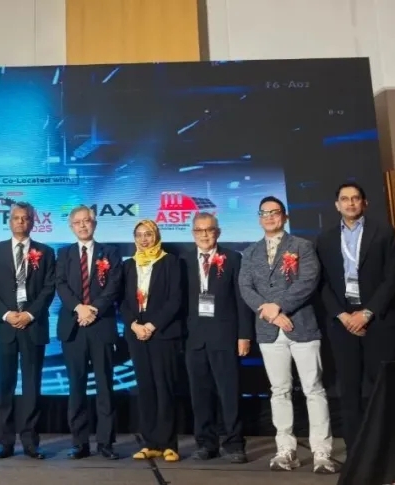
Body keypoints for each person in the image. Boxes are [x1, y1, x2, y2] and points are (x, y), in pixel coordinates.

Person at [237, 196, 335, 473]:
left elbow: (308, 281)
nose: (269, 217)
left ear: (285, 217)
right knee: (279, 391)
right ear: (259, 218)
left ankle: (322, 452)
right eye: (264, 213)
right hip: (269, 331)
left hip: (301, 326)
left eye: (275, 212)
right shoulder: (250, 252)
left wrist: (279, 306)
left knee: (313, 389)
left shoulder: (302, 246)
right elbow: (245, 288)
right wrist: (270, 313)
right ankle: (285, 451)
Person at [316, 182, 395, 448]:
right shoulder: (326, 238)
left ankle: (387, 446)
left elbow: (393, 276)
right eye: (345, 199)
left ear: (365, 203)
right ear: (337, 205)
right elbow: (322, 283)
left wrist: (366, 313)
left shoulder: (383, 232)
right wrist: (343, 316)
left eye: (355, 198)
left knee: (382, 385)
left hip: (378, 320)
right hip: (342, 324)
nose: (350, 203)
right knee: (348, 388)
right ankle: (355, 450)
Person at [0, 201, 56, 459]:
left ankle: (30, 441)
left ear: (33, 221)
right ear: (9, 221)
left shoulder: (46, 252)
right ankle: (5, 442)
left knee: (31, 386)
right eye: (16, 218)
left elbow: (49, 288)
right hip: (5, 326)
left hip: (33, 326)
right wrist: (6, 315)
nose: (20, 222)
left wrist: (29, 314)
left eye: (25, 218)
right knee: (4, 386)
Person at [182, 212, 253, 464]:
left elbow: (242, 301)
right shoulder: (183, 261)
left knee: (229, 393)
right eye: (199, 230)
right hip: (194, 339)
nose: (204, 235)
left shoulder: (233, 258)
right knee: (200, 395)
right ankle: (206, 444)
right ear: (193, 233)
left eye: (209, 229)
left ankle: (234, 444)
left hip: (225, 336)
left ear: (218, 232)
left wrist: (244, 335)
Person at [54, 205, 122, 460]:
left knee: (105, 385)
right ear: (71, 226)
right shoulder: (64, 253)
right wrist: (79, 308)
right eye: (78, 222)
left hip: (101, 324)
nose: (83, 225)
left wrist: (94, 309)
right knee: (76, 387)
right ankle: (79, 443)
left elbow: (114, 285)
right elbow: (60, 284)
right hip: (73, 327)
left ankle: (106, 442)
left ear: (95, 224)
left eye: (87, 221)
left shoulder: (110, 253)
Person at [121, 219, 182, 463]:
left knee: (164, 387)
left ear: (156, 235)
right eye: (139, 234)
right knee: (145, 388)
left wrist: (152, 325)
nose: (144, 239)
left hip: (162, 333)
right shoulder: (129, 265)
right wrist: (134, 325)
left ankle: (168, 444)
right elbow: (122, 301)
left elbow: (175, 300)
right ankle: (150, 443)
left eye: (148, 234)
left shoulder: (170, 262)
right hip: (137, 334)